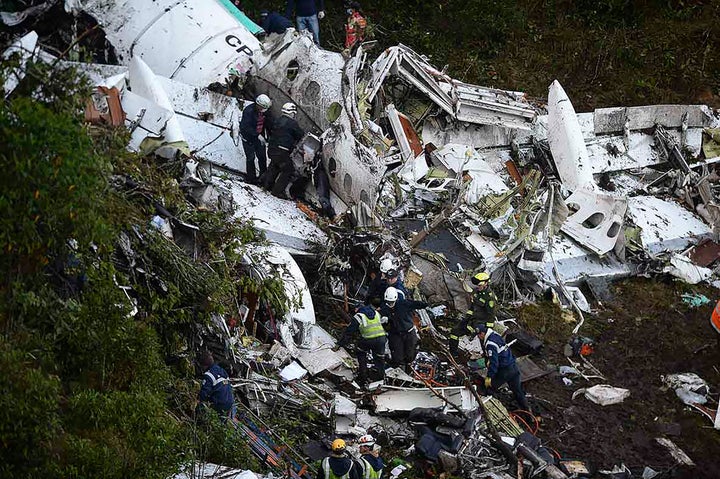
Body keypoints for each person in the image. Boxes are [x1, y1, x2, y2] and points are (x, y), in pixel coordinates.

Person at [476, 323, 530, 412]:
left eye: (478, 336)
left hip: (505, 370)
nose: (478, 338)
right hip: (513, 367)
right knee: (518, 392)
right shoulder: (495, 335)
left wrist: (489, 377)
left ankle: (487, 409)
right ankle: (528, 413)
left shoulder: (490, 344)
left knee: (489, 388)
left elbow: (494, 363)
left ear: (482, 334)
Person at [339, 297, 387, 386]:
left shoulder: (359, 315)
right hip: (381, 339)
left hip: (369, 339)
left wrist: (340, 344)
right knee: (379, 358)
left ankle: (363, 377)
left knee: (361, 353)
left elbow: (349, 331)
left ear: (357, 308)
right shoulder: (376, 313)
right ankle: (381, 379)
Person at [449, 272, 497, 357]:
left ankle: (487, 360)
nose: (478, 287)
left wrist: (487, 330)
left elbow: (491, 316)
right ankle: (453, 353)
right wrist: (466, 318)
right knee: (455, 332)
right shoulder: (477, 292)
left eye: (480, 285)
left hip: (481, 324)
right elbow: (472, 307)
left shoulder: (490, 298)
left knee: (485, 344)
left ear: (486, 283)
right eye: (477, 286)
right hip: (471, 320)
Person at [381, 287, 427, 372]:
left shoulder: (403, 304)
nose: (390, 304)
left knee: (410, 355)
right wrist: (385, 320)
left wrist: (426, 305)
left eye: (391, 302)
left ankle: (409, 371)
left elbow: (416, 304)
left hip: (409, 332)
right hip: (395, 335)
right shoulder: (384, 308)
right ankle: (400, 372)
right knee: (398, 357)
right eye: (388, 302)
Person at [263, 102, 304, 199]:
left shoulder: (278, 120)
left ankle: (266, 185)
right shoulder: (292, 123)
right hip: (282, 151)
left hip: (272, 149)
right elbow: (300, 134)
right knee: (288, 170)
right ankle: (277, 191)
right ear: (292, 113)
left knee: (274, 166)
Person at [240, 94, 273, 185]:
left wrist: (270, 136)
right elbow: (245, 126)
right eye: (262, 107)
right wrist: (257, 134)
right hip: (248, 138)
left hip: (259, 138)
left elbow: (269, 124)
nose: (264, 110)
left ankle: (263, 178)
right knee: (250, 158)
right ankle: (251, 179)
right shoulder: (248, 111)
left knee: (262, 158)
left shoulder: (265, 112)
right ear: (258, 105)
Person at [198, 352, 236, 420]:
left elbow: (204, 393)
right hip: (230, 401)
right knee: (222, 421)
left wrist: (198, 400)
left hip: (219, 402)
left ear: (204, 365)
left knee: (201, 409)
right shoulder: (222, 371)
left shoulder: (209, 375)